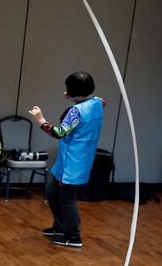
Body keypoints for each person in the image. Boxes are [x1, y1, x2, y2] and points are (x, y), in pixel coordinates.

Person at [29, 71, 105, 248]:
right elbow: (102, 101)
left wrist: (40, 120)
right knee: (52, 192)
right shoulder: (97, 102)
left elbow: (58, 133)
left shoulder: (76, 111)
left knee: (67, 200)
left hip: (72, 162)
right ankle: (60, 227)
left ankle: (73, 236)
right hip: (76, 158)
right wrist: (72, 96)